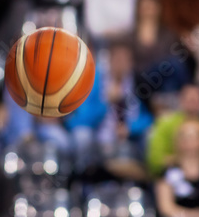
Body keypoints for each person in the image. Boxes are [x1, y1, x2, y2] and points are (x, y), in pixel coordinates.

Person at [66, 41, 154, 171]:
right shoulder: (94, 79)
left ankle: (147, 180)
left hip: (127, 136)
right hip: (98, 135)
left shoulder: (137, 81)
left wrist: (130, 128)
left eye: (125, 60)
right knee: (81, 136)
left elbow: (147, 118)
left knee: (151, 135)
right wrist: (105, 102)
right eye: (118, 59)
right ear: (110, 60)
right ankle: (82, 177)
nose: (121, 64)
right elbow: (79, 119)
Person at [147, 84, 199, 176]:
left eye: (197, 100)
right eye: (190, 100)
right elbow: (155, 161)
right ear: (181, 100)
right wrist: (183, 159)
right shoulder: (164, 125)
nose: (193, 104)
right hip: (169, 175)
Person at [132, 0, 188, 92]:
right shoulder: (130, 36)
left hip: (162, 79)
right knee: (173, 63)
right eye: (146, 6)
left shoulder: (168, 34)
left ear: (158, 8)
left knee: (171, 77)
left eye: (151, 6)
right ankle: (187, 89)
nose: (149, 9)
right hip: (140, 78)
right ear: (138, 8)